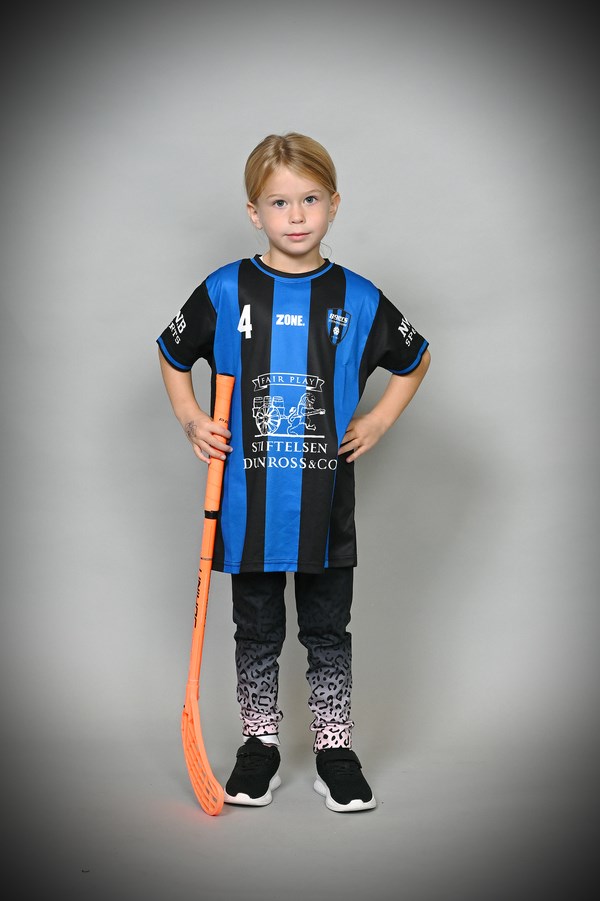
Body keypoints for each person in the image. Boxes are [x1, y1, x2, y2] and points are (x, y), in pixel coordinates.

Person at [157, 132, 430, 813]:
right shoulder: (227, 289)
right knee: (256, 632)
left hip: (324, 510)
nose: (297, 215)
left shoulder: (356, 297)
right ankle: (260, 746)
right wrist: (191, 416)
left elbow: (414, 358)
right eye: (280, 202)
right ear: (255, 213)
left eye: (310, 199)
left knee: (327, 631)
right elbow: (172, 352)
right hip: (245, 507)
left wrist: (378, 421)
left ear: (334, 204)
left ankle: (335, 749)